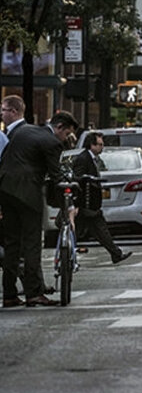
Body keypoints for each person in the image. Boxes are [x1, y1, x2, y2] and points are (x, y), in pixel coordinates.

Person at [0, 103, 77, 307]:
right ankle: (34, 293)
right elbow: (55, 175)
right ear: (59, 127)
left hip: (5, 189)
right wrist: (66, 204)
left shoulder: (24, 130)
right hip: (28, 193)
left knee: (11, 243)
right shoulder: (52, 142)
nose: (65, 138)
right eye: (66, 133)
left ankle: (9, 294)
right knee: (32, 243)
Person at [69, 133, 132, 265]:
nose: (102, 147)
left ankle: (116, 254)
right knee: (77, 231)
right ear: (91, 145)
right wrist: (77, 203)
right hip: (85, 204)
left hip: (90, 205)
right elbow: (77, 180)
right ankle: (68, 258)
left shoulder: (92, 158)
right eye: (100, 144)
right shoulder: (83, 159)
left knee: (100, 231)